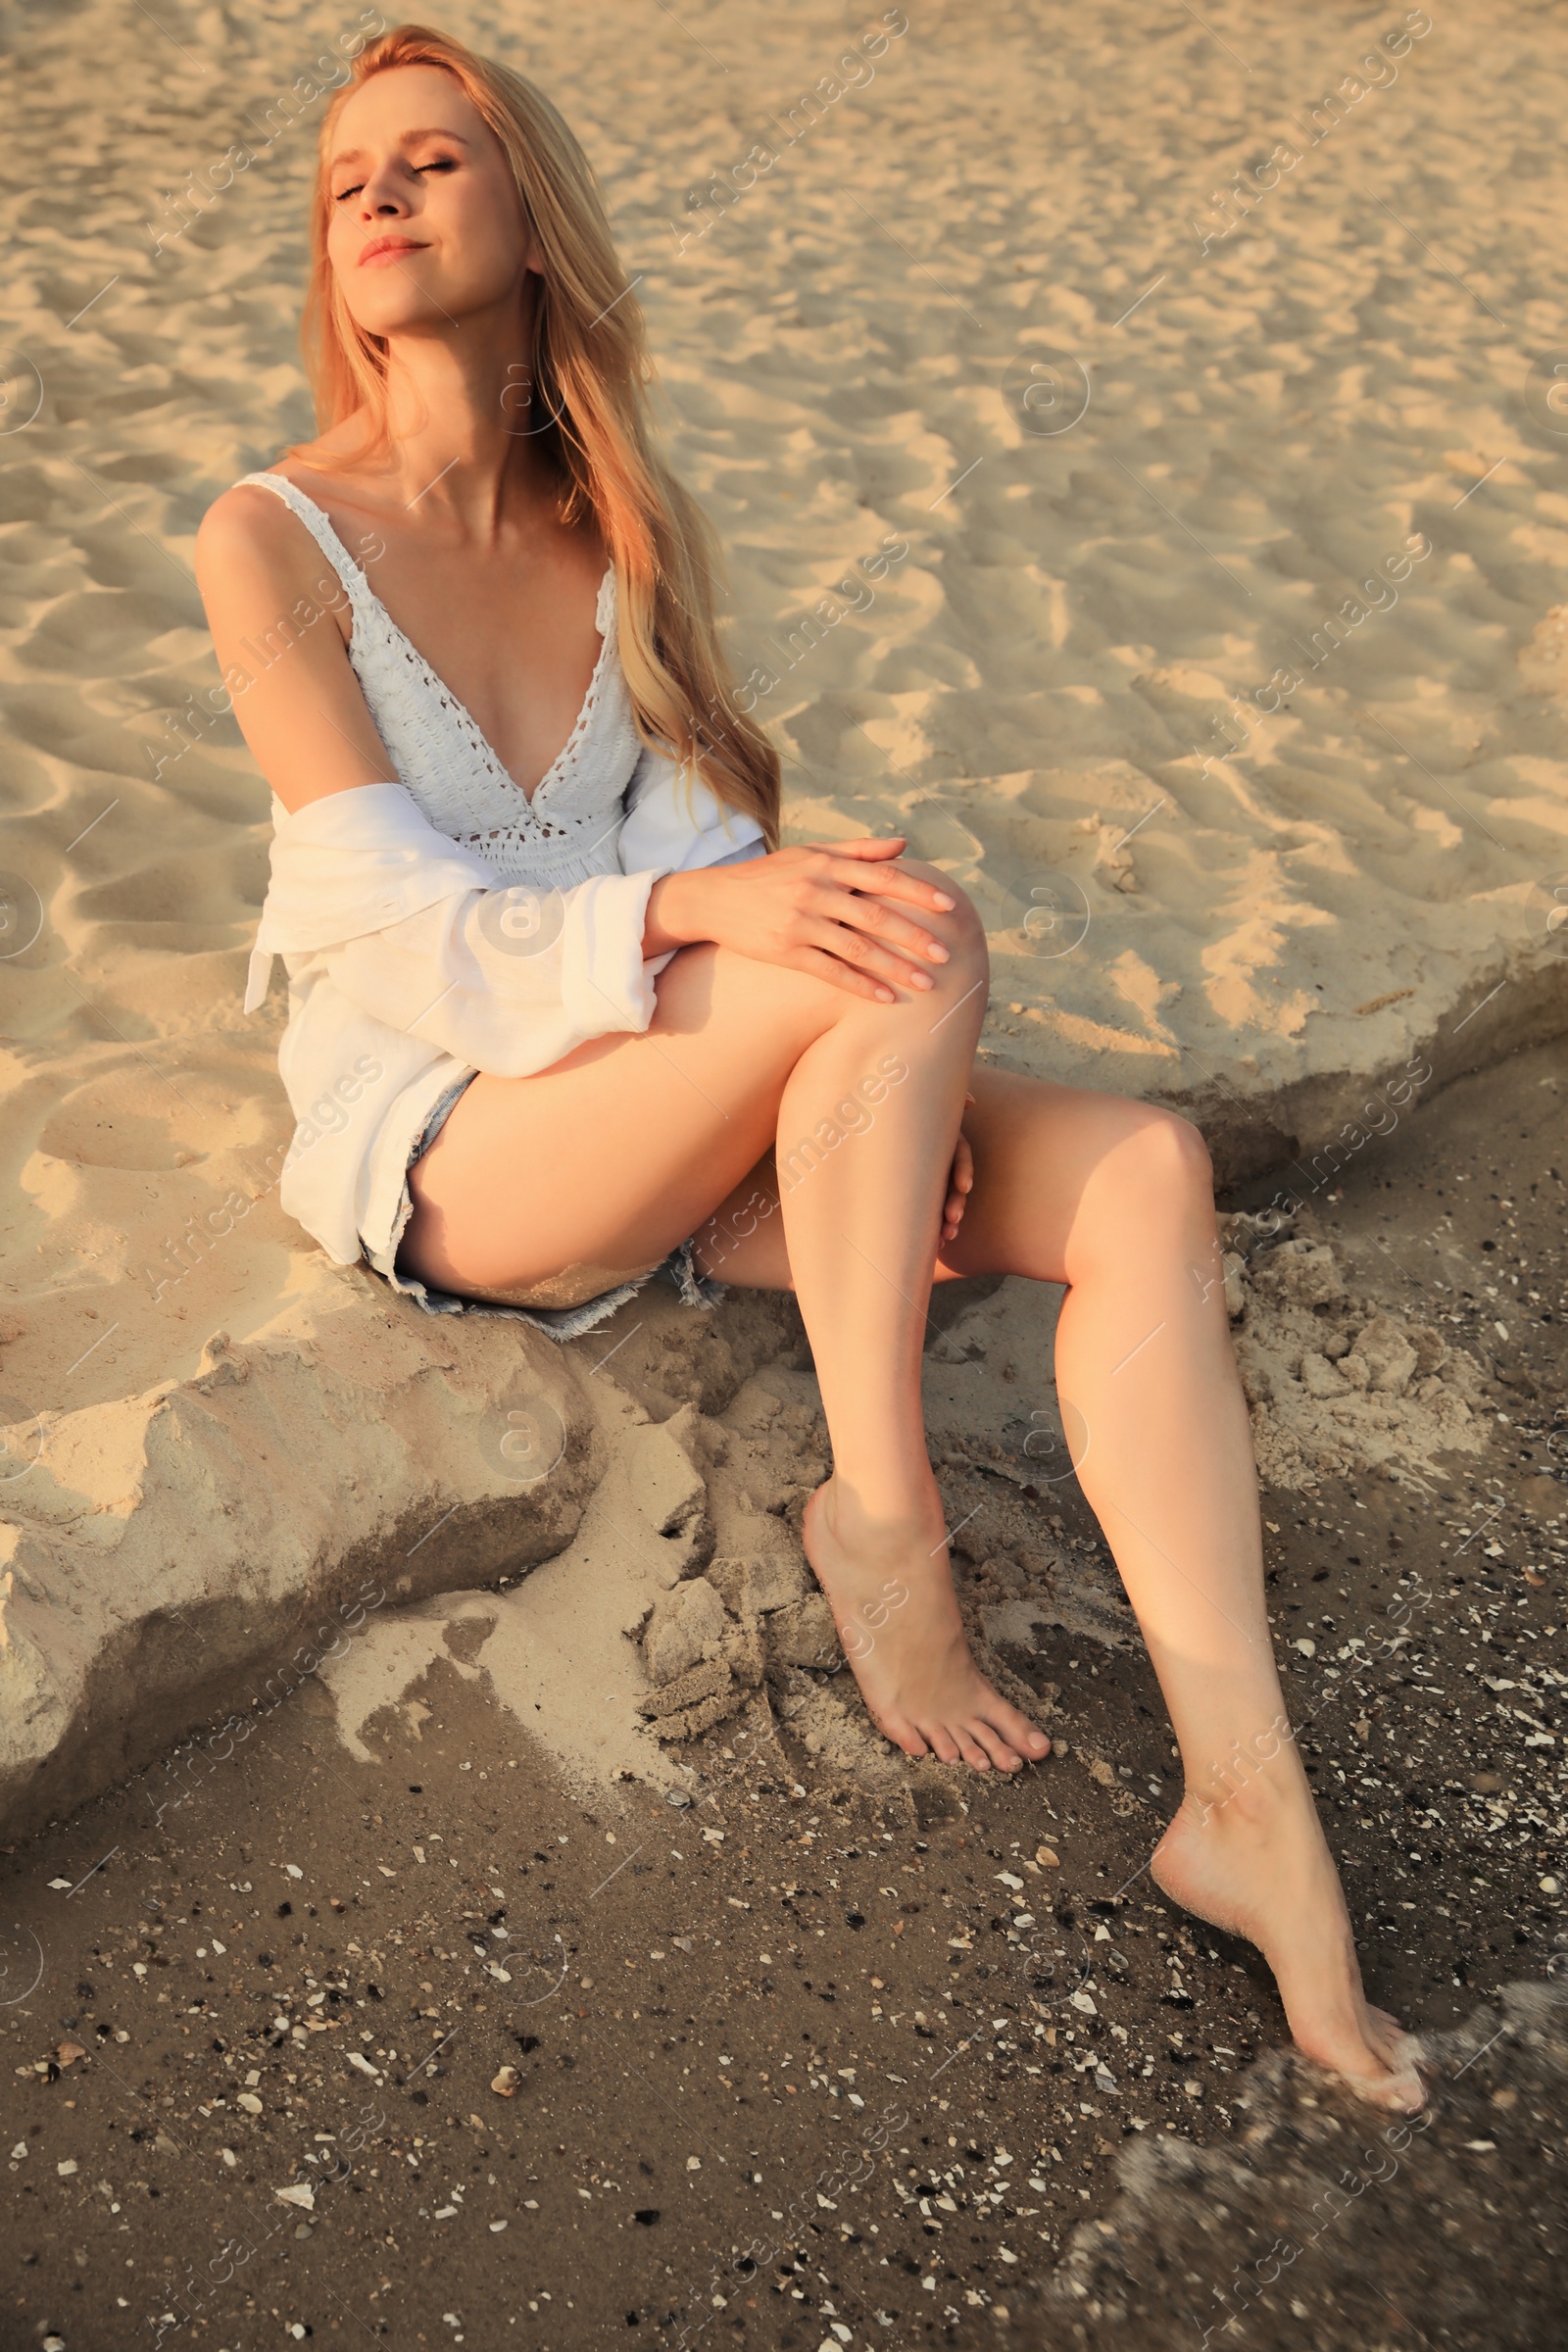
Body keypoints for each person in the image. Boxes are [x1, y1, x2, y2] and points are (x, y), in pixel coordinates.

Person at [195, 23, 1423, 2113]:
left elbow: (699, 848)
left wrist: (848, 1076)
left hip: (656, 1092)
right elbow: (388, 923)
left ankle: (1248, 1806)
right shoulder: (272, 539)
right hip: (459, 1142)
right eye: (347, 180)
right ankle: (884, 1524)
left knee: (1123, 1162)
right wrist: (715, 943)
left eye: (432, 161)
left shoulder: (620, 528)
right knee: (877, 947)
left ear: (533, 220)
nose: (381, 198)